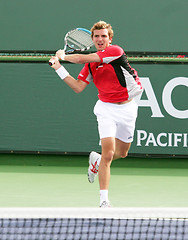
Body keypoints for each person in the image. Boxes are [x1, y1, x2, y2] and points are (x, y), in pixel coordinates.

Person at [50, 21, 143, 208]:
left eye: (104, 36)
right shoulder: (92, 65)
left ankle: (97, 161)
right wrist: (58, 68)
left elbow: (80, 59)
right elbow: (78, 87)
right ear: (92, 40)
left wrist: (63, 56)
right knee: (108, 154)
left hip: (127, 108)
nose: (100, 39)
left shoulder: (115, 51)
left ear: (110, 39)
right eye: (97, 36)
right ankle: (104, 201)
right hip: (106, 109)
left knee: (122, 153)